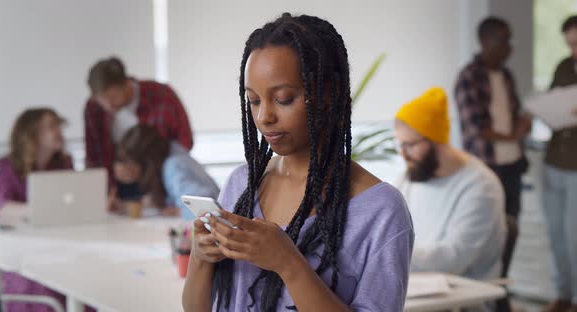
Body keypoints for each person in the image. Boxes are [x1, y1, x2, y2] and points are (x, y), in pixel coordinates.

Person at [182, 13, 414, 312]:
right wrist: (200, 259)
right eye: (253, 101)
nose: (264, 116)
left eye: (284, 98)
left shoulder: (382, 210)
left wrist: (288, 263)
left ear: (328, 93)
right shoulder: (243, 185)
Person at [395, 87, 506, 311]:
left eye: (411, 145)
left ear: (436, 141)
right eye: (400, 144)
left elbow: (453, 259)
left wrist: (390, 254)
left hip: (462, 301)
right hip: (413, 291)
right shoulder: (412, 176)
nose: (403, 154)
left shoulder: (480, 186)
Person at [454, 17, 531, 312]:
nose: (510, 47)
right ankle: (483, 298)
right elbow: (475, 127)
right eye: (505, 40)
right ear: (486, 41)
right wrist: (512, 133)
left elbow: (513, 115)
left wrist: (521, 127)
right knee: (489, 234)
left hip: (512, 165)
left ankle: (499, 293)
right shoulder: (469, 77)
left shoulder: (507, 76)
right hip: (487, 168)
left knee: (510, 231)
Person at [0, 108, 72, 312]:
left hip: (63, 247)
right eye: (52, 126)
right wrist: (41, 209)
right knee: (47, 289)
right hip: (26, 256)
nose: (59, 132)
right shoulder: (9, 166)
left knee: (86, 280)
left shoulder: (62, 164)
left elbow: (72, 206)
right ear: (32, 133)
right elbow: (0, 208)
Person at [84, 56, 194, 197]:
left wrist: (148, 169)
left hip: (162, 187)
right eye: (101, 100)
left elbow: (184, 143)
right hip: (115, 189)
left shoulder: (162, 95)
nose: (108, 105)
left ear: (126, 83)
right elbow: (93, 157)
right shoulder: (93, 109)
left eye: (112, 97)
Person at [541, 15, 577, 312]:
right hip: (554, 160)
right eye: (569, 45)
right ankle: (562, 294)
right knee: (555, 233)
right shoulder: (564, 67)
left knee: (574, 234)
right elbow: (552, 102)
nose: (573, 50)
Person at [114, 125, 220, 218]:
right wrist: (124, 206)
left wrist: (178, 212)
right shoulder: (172, 152)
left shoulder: (174, 166)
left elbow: (206, 210)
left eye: (132, 164)